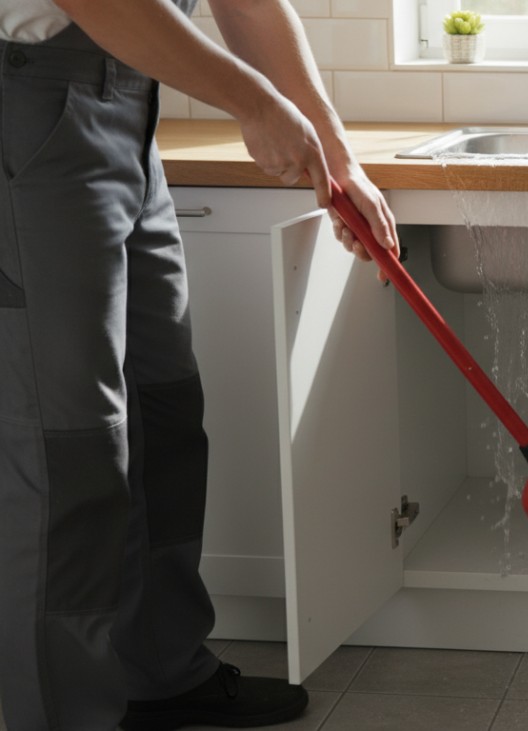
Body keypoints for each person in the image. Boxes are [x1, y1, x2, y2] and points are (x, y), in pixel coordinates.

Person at [0, 0, 399, 728]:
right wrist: (255, 102)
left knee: (166, 409)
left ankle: (156, 669)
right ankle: (59, 713)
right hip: (34, 106)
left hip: (130, 103)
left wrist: (336, 157)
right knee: (71, 452)